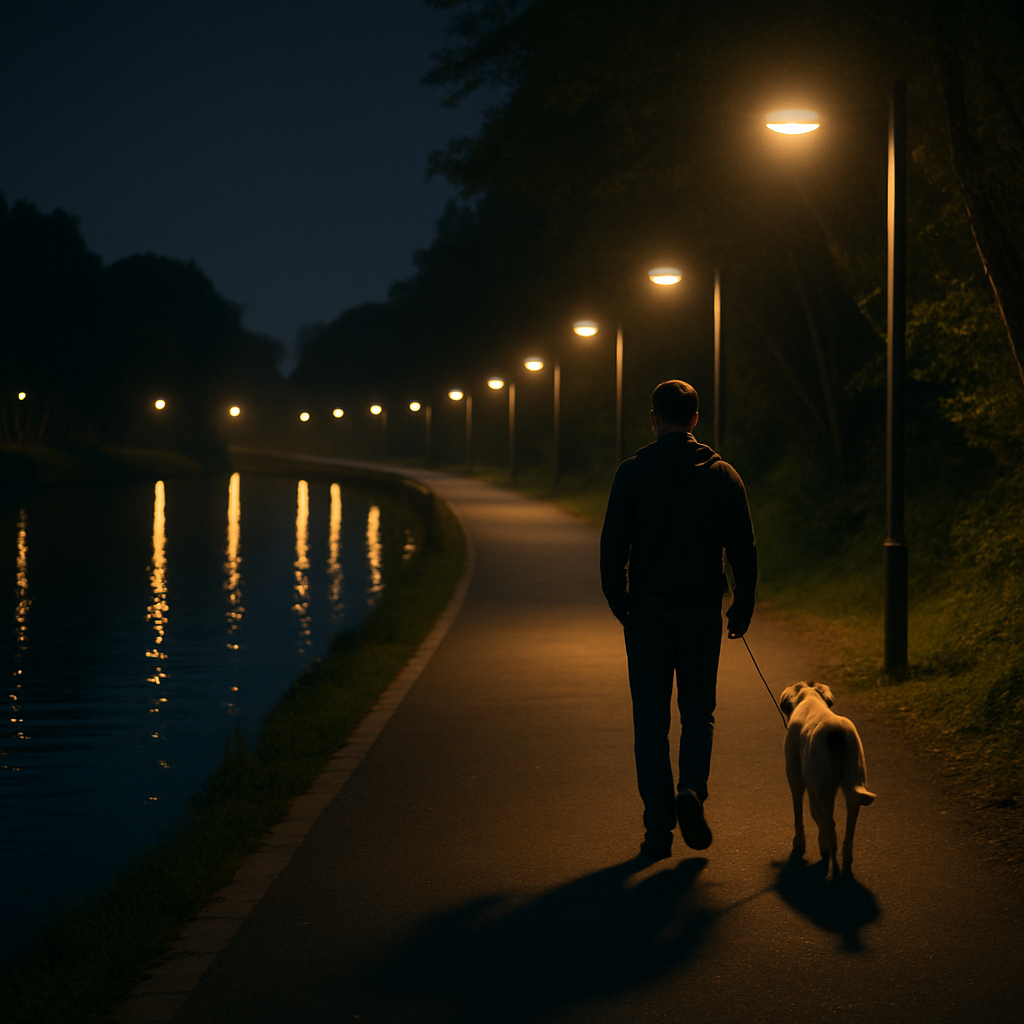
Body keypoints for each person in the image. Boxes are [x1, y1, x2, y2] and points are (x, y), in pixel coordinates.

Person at [600, 380, 757, 859]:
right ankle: (691, 789)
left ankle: (657, 830)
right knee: (697, 713)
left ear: (654, 418)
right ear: (694, 418)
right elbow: (743, 547)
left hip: (647, 612)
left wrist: (621, 603)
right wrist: (743, 604)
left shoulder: (632, 474)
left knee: (650, 721)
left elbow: (612, 547)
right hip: (700, 612)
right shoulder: (724, 476)